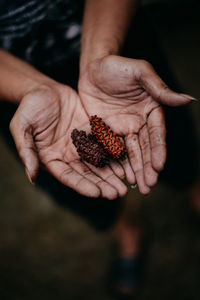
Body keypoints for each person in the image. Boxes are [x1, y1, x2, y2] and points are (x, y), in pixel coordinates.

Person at [0, 0, 198, 298]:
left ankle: (194, 188)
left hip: (115, 42)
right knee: (69, 185)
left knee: (172, 140)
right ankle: (126, 231)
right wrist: (29, 88)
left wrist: (101, 54)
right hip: (15, 85)